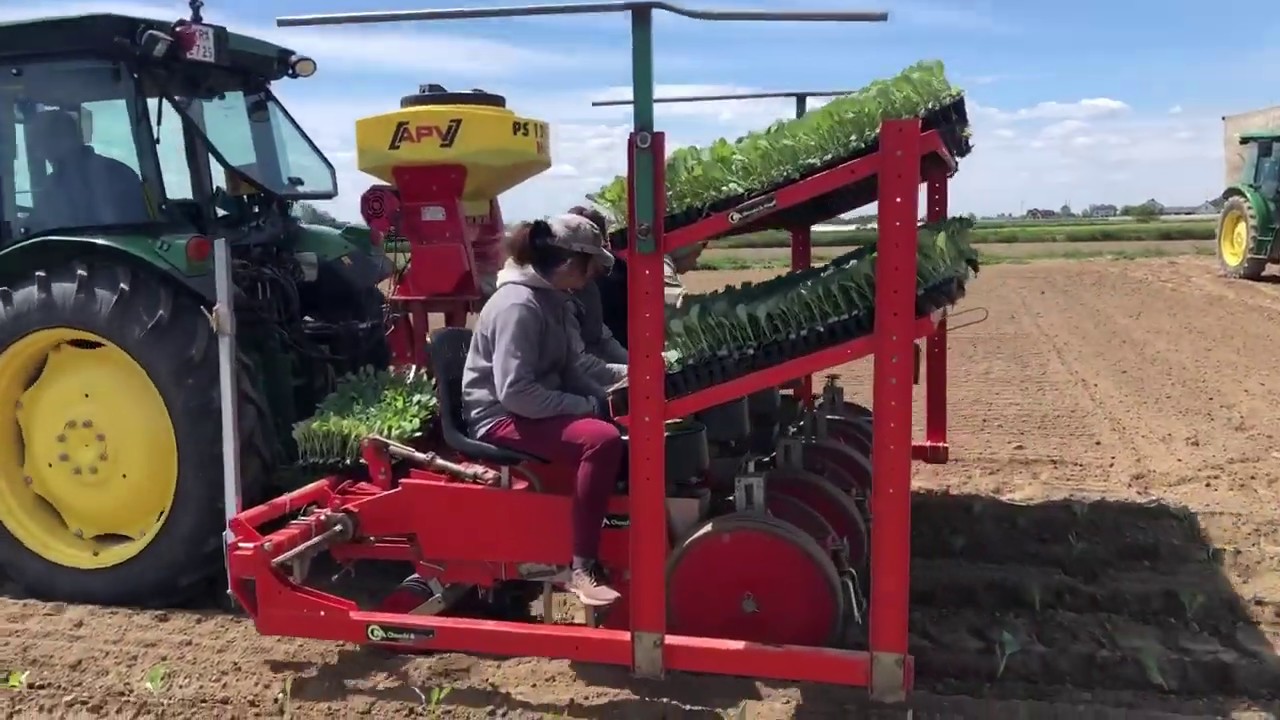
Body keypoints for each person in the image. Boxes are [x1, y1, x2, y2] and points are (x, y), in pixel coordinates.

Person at [463, 214, 624, 606]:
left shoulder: (554, 299)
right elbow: (515, 392)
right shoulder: (518, 306)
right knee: (600, 441)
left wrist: (631, 382)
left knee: (618, 420)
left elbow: (576, 366)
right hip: (500, 416)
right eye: (591, 264)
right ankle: (581, 567)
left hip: (531, 406)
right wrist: (586, 406)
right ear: (570, 263)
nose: (594, 275)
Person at [24, 109, 150, 234]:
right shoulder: (52, 183)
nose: (38, 151)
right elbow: (40, 223)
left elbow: (129, 230)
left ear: (64, 137)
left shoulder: (113, 175)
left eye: (39, 141)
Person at [564, 205, 627, 387]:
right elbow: (575, 362)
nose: (598, 271)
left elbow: (601, 338)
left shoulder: (590, 287)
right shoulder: (545, 301)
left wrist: (634, 368)